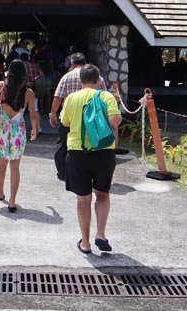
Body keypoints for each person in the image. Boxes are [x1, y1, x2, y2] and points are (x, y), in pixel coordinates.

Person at [60, 64, 121, 254]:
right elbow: (114, 122)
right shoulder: (106, 96)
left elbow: (65, 122)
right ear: (98, 80)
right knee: (102, 195)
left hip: (78, 152)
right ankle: (100, 234)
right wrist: (115, 105)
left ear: (80, 80)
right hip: (103, 152)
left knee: (83, 200)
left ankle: (85, 243)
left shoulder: (71, 98)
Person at [0, 59, 39, 212]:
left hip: (2, 128)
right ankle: (12, 201)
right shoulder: (28, 92)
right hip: (18, 131)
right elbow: (33, 115)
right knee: (15, 167)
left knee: (2, 164)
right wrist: (34, 129)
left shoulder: (2, 86)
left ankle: (0, 193)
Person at [49, 52, 106, 181]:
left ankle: (63, 173)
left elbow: (58, 97)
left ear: (73, 64)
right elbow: (104, 98)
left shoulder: (67, 77)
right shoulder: (99, 78)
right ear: (85, 63)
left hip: (69, 118)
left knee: (63, 145)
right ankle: (89, 172)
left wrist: (52, 114)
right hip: (91, 117)